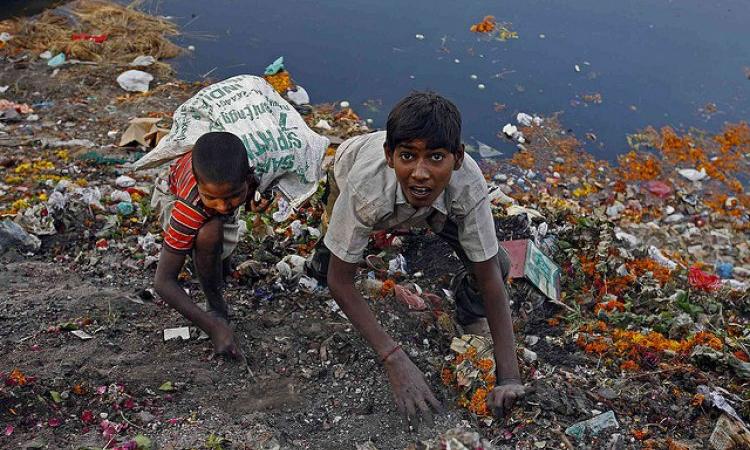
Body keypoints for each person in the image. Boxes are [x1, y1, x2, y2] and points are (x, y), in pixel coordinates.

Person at [306, 91, 529, 427]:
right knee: (331, 262)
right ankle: (318, 262)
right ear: (389, 155)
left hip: (438, 205)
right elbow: (342, 282)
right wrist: (394, 358)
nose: (421, 172)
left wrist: (509, 377)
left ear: (457, 158)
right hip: (352, 169)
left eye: (436, 157)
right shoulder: (366, 189)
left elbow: (490, 280)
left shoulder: (467, 185)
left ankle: (469, 311)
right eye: (408, 156)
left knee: (497, 263)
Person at [153, 132, 257, 360]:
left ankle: (219, 265)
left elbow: (225, 199)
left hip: (212, 195)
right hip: (171, 194)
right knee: (208, 234)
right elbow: (163, 282)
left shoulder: (237, 180)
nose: (222, 206)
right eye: (212, 198)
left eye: (232, 196)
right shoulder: (190, 207)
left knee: (218, 224)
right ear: (199, 185)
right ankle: (215, 305)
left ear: (247, 179)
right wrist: (212, 326)